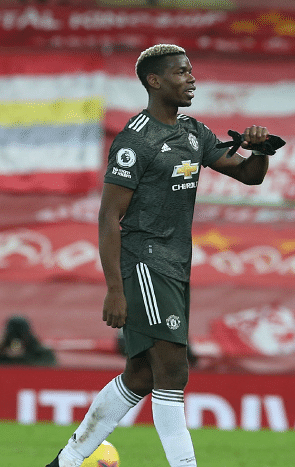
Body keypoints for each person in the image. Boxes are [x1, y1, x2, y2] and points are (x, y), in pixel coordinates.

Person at [46, 44, 281, 467]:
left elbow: (248, 175)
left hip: (174, 265)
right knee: (173, 371)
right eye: (181, 72)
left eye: (191, 70)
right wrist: (114, 290)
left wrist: (260, 149)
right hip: (145, 262)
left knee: (140, 376)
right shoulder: (135, 140)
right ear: (155, 81)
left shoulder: (193, 132)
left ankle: (65, 462)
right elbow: (108, 217)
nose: (191, 78)